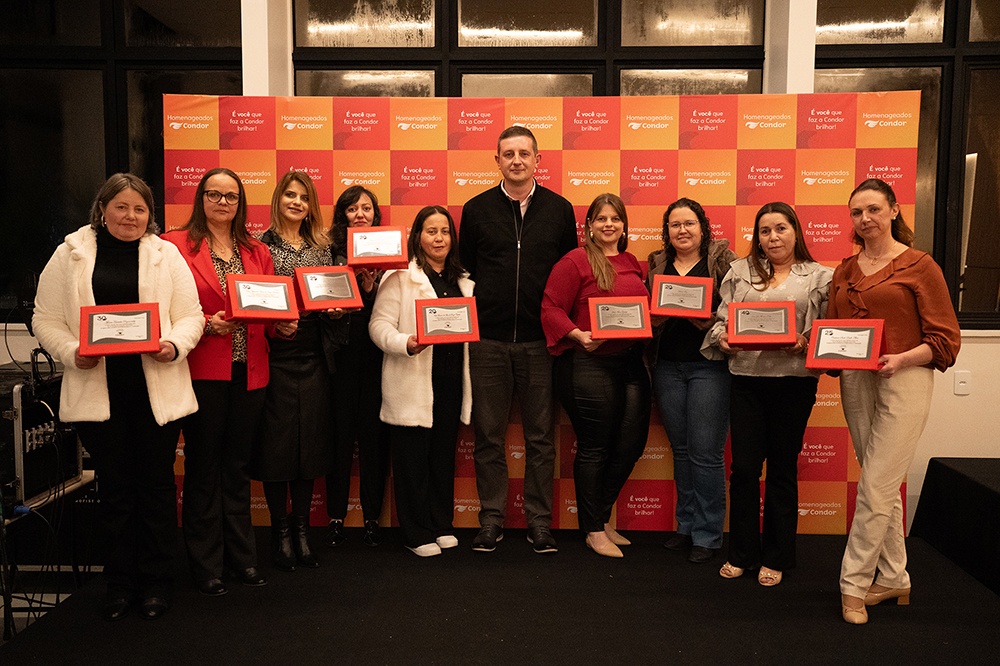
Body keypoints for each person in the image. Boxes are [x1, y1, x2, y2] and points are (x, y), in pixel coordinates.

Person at [33, 173, 204, 621]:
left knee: (156, 487)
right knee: (115, 490)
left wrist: (173, 345)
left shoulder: (166, 254)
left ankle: (157, 581)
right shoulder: (70, 254)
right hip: (98, 394)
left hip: (156, 394)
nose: (131, 216)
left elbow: (191, 316)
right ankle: (120, 583)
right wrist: (72, 352)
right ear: (102, 209)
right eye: (121, 207)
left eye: (140, 209)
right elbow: (45, 318)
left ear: (150, 215)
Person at [832, 179, 960, 625]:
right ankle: (894, 577)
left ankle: (853, 584)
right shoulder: (845, 270)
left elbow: (945, 339)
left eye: (873, 209)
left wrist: (903, 358)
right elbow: (833, 329)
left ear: (893, 210)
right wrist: (809, 345)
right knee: (880, 482)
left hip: (905, 377)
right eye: (856, 212)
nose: (864, 218)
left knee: (876, 485)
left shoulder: (921, 265)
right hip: (856, 380)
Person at [459, 125, 579, 554]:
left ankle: (539, 522)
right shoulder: (475, 209)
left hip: (540, 342)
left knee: (541, 438)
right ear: (497, 160)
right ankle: (491, 519)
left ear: (537, 159)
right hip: (487, 341)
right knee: (488, 437)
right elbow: (467, 269)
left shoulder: (560, 210)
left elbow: (568, 273)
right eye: (508, 154)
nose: (516, 161)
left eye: (524, 153)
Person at [704, 201, 832, 587]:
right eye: (765, 231)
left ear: (796, 232)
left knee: (781, 468)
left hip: (794, 382)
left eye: (780, 229)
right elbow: (722, 319)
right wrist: (722, 339)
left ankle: (776, 556)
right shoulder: (739, 272)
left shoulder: (820, 276)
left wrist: (804, 341)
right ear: (757, 237)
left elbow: (827, 329)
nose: (773, 237)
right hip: (746, 380)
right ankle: (742, 553)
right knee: (743, 469)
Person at [162, 167, 273, 597]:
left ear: (240, 202)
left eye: (231, 196)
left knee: (237, 468)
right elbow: (165, 309)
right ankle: (206, 563)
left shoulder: (256, 250)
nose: (223, 202)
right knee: (204, 468)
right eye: (214, 194)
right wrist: (207, 323)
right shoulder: (175, 246)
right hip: (204, 371)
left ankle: (242, 558)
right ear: (201, 198)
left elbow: (269, 307)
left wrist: (283, 325)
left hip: (251, 371)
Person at [541, 193, 651, 558]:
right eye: (601, 218)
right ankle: (592, 529)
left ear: (623, 225)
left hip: (630, 363)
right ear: (589, 226)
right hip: (589, 364)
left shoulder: (632, 262)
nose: (608, 224)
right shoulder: (575, 260)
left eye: (615, 218)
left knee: (631, 445)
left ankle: (601, 517)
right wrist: (577, 335)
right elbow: (550, 307)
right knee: (596, 447)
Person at [368, 206, 473, 557]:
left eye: (445, 232)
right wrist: (405, 343)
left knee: (442, 457)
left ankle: (441, 524)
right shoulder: (399, 277)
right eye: (431, 231)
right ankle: (415, 532)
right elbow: (378, 325)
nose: (439, 238)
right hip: (411, 379)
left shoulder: (463, 280)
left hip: (450, 381)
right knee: (411, 461)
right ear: (417, 236)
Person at [646, 198, 737, 563]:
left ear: (703, 227)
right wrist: (652, 318)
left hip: (708, 366)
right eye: (675, 225)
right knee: (681, 450)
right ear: (667, 231)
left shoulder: (724, 262)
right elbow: (648, 313)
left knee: (706, 453)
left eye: (689, 223)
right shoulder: (657, 264)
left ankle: (708, 533)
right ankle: (685, 525)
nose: (682, 230)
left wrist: (707, 318)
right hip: (667, 366)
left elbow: (734, 311)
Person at [253, 171, 330, 571]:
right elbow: (253, 301)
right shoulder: (258, 246)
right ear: (278, 200)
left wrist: (337, 309)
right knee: (277, 448)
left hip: (314, 356)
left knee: (308, 446)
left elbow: (333, 296)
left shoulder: (323, 248)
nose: (297, 202)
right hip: (275, 355)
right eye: (290, 195)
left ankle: (302, 531)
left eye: (304, 197)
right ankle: (280, 532)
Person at [323, 185, 390, 548]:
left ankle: (371, 518)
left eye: (366, 208)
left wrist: (371, 285)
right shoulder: (329, 252)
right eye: (352, 209)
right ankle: (335, 516)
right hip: (341, 356)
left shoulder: (391, 253)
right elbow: (317, 302)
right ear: (343, 216)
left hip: (378, 357)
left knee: (373, 439)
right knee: (339, 437)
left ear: (375, 215)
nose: (360, 214)